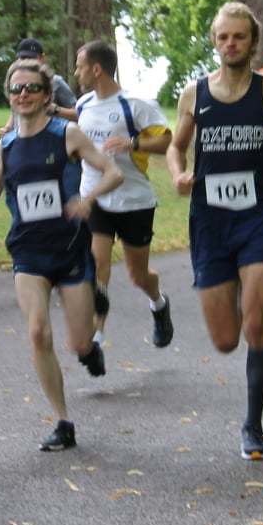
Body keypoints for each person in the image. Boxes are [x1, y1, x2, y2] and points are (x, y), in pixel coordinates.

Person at [165, 2, 263, 460]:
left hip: (256, 218)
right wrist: (177, 173)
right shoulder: (194, 94)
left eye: (239, 37)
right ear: (215, 42)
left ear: (253, 43)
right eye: (223, 37)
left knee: (254, 324)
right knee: (226, 339)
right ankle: (227, 286)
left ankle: (253, 425)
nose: (231, 44)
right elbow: (175, 146)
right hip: (210, 222)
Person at [0, 59, 122, 451]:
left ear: (47, 95)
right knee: (37, 331)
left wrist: (87, 200)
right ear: (9, 96)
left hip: (69, 249)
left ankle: (90, 344)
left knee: (78, 344)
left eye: (32, 88)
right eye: (17, 89)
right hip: (28, 252)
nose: (24, 94)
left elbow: (112, 172)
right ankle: (63, 421)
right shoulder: (7, 146)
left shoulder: (67, 134)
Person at [72, 40, 175, 347]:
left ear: (96, 69)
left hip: (134, 201)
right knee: (97, 265)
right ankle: (97, 335)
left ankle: (158, 303)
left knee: (138, 275)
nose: (76, 73)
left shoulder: (136, 104)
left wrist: (133, 143)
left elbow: (167, 142)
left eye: (79, 67)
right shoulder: (83, 105)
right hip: (96, 196)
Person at [14, 38, 78, 121]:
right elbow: (14, 112)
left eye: (32, 58)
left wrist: (54, 109)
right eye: (23, 58)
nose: (28, 62)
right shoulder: (16, 82)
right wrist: (8, 126)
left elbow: (78, 114)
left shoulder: (55, 81)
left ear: (43, 58)